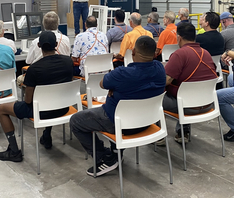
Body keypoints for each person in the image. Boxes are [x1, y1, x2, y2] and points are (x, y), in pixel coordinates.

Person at [70, 36, 165, 177]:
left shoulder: (121, 74)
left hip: (118, 123)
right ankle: (115, 152)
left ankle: (105, 157)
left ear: (132, 52)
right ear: (156, 53)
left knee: (76, 121)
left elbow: (102, 84)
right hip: (147, 122)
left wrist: (114, 89)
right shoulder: (160, 69)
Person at [0, 31, 73, 162]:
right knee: (49, 100)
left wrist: (25, 87)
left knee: (2, 109)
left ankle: (14, 151)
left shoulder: (34, 69)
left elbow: (28, 100)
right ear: (56, 44)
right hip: (63, 108)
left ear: (38, 45)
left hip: (41, 112)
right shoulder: (68, 62)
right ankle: (46, 135)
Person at [162, 22, 217, 143]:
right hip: (208, 104)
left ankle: (158, 136)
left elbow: (166, 80)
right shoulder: (206, 53)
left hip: (186, 107)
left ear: (179, 37)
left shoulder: (179, 54)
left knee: (154, 97)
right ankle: (183, 132)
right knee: (189, 90)